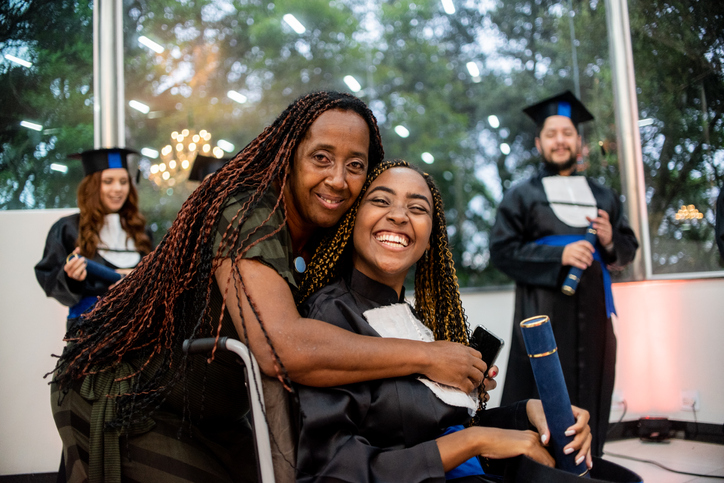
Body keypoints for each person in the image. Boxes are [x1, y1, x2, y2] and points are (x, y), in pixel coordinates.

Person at [49, 91, 487, 483]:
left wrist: (450, 380)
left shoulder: (324, 232)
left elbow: (343, 356)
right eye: (321, 158)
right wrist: (429, 358)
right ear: (288, 155)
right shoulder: (249, 215)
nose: (338, 179)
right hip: (131, 392)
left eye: (356, 166)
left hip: (212, 410)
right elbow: (285, 348)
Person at [295, 160, 593, 482]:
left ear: (430, 237)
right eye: (381, 201)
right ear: (352, 219)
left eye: (418, 208)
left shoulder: (414, 320)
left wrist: (527, 414)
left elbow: (431, 429)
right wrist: (474, 440)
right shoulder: (329, 316)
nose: (399, 215)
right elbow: (332, 469)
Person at [489, 91, 639, 457]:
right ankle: (536, 472)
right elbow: (502, 252)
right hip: (543, 315)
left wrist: (608, 239)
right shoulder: (521, 196)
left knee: (594, 388)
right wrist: (559, 255)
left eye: (567, 133)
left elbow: (628, 248)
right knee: (542, 398)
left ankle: (591, 465)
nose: (560, 140)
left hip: (595, 319)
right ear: (540, 142)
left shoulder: (604, 196)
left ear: (579, 142)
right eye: (552, 134)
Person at [34, 147, 153, 330]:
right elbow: (48, 279)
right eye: (108, 181)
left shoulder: (140, 229)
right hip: (89, 329)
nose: (117, 189)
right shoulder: (68, 229)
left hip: (137, 327)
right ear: (93, 185)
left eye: (123, 181)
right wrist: (71, 277)